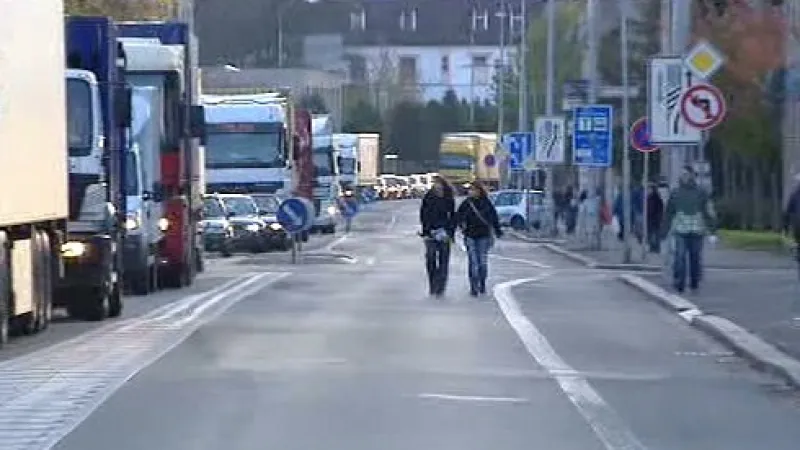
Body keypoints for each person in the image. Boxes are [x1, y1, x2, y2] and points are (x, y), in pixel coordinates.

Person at [662, 166, 716, 293]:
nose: (685, 177)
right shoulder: (675, 193)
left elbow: (708, 211)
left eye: (687, 174)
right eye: (682, 175)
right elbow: (669, 213)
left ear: (692, 175)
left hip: (697, 229)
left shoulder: (701, 193)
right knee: (679, 256)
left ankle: (694, 281)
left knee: (695, 257)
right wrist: (664, 231)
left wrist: (712, 231)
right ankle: (679, 281)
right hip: (680, 229)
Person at [456, 181, 503, 297]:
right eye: (470, 190)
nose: (471, 192)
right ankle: (473, 286)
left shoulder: (486, 203)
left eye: (474, 190)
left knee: (482, 262)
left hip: (484, 236)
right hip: (470, 235)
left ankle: (482, 283)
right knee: (473, 262)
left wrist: (497, 231)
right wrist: (459, 225)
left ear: (479, 191)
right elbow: (458, 216)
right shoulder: (466, 203)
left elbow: (493, 217)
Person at [419, 176, 456, 296]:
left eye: (438, 183)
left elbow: (453, 216)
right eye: (434, 183)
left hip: (444, 233)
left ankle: (441, 286)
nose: (436, 186)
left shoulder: (448, 198)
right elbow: (423, 214)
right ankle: (433, 284)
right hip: (430, 233)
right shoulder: (428, 197)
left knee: (444, 260)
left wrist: (450, 232)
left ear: (443, 184)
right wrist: (425, 231)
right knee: (430, 258)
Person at [783, 173, 800, 276]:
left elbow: (788, 213)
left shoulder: (794, 195)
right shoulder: (794, 196)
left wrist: (785, 228)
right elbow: (788, 213)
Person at [646, 184, 664, 253]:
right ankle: (653, 248)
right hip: (650, 218)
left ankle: (656, 248)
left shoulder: (656, 198)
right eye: (648, 189)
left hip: (655, 219)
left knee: (655, 234)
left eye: (649, 189)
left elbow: (660, 209)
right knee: (651, 234)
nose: (648, 190)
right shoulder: (648, 197)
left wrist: (659, 218)